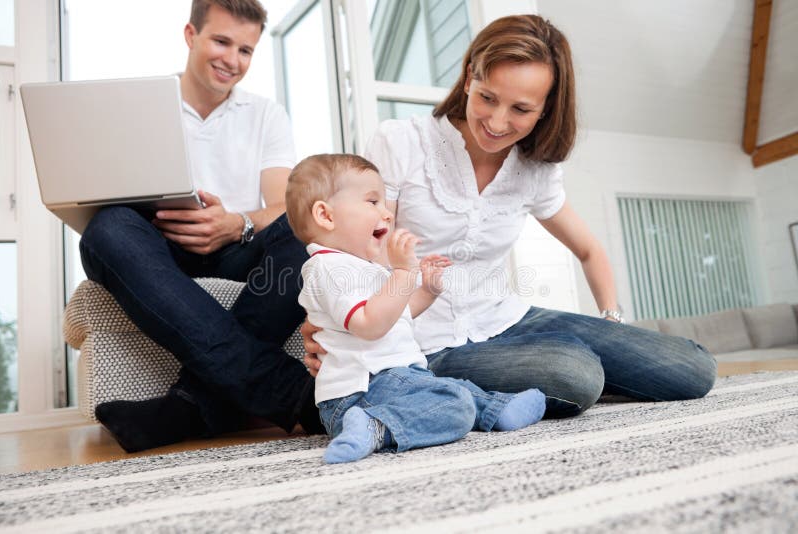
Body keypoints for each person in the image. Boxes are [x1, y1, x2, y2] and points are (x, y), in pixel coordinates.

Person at [302, 15, 717, 418]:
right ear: (469, 78)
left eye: (520, 108)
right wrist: (327, 323)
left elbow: (589, 250)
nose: (497, 122)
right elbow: (351, 244)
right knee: (575, 372)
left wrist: (613, 323)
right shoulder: (401, 142)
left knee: (692, 370)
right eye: (487, 97)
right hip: (423, 342)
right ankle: (436, 385)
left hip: (508, 320)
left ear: (545, 108)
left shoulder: (535, 168)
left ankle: (561, 366)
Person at [79, 0, 323, 453]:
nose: (232, 60)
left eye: (246, 50)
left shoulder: (266, 114)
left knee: (302, 225)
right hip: (154, 256)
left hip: (236, 254)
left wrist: (237, 224)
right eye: (221, 41)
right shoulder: (140, 105)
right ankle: (287, 392)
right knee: (107, 229)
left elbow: (279, 206)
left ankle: (190, 407)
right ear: (191, 35)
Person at [285, 154, 546, 463]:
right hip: (362, 391)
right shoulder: (328, 268)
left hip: (386, 381)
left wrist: (427, 290)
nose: (386, 213)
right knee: (455, 403)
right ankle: (378, 427)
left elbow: (397, 314)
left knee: (449, 388)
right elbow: (369, 325)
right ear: (326, 215)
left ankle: (496, 409)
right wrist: (404, 274)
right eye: (372, 202)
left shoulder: (360, 267)